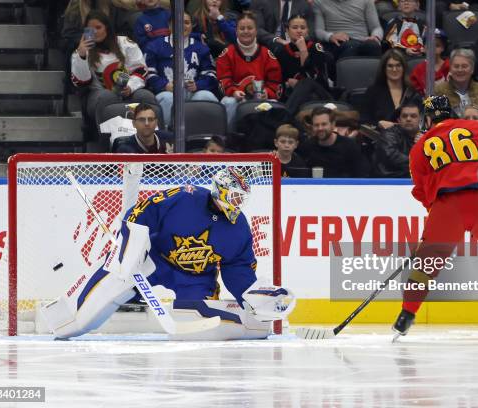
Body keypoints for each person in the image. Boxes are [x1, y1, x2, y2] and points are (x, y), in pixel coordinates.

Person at [40, 167, 296, 340]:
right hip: (154, 260)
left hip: (197, 278)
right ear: (222, 191)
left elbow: (237, 270)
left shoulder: (239, 228)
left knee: (195, 316)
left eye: (243, 199)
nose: (239, 204)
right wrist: (130, 247)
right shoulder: (185, 197)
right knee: (115, 275)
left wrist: (251, 299)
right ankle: (66, 318)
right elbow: (140, 213)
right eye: (236, 197)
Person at [392, 95, 478, 341]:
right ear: (452, 112)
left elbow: (420, 189)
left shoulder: (420, 147)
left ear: (428, 118)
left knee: (426, 265)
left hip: (447, 205)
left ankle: (405, 317)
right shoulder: (474, 127)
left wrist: (436, 210)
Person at [71, 10, 157, 128]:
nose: (94, 32)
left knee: (145, 96)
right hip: (98, 95)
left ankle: (155, 138)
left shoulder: (125, 43)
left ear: (107, 28)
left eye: (98, 27)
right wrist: (82, 55)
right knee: (108, 97)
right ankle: (107, 140)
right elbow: (81, 82)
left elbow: (140, 70)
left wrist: (130, 87)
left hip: (129, 91)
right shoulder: (80, 53)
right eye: (90, 29)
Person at [145, 12, 220, 128]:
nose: (182, 26)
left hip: (193, 92)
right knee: (167, 98)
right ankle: (166, 134)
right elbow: (149, 74)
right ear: (170, 26)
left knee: (206, 96)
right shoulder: (155, 46)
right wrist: (165, 85)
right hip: (167, 92)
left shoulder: (201, 48)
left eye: (186, 22)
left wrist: (198, 85)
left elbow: (211, 74)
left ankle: (205, 135)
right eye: (178, 22)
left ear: (191, 26)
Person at [216, 12, 283, 129]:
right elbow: (223, 80)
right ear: (236, 31)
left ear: (256, 31)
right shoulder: (227, 53)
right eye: (242, 28)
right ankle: (229, 138)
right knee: (229, 102)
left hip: (261, 98)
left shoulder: (266, 54)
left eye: (250, 28)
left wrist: (267, 93)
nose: (246, 31)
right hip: (236, 97)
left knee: (273, 104)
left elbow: (275, 84)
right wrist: (233, 92)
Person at [274, 15, 333, 115]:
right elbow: (279, 80)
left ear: (307, 31)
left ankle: (285, 116)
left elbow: (317, 79)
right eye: (295, 27)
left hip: (319, 94)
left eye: (303, 28)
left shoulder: (316, 48)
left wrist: (303, 50)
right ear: (287, 30)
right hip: (292, 95)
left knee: (307, 82)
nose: (299, 30)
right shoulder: (281, 51)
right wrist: (287, 84)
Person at [434, 48, 478, 129]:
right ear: (450, 69)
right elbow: (433, 121)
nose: (460, 70)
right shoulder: (438, 91)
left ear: (472, 69)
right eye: (456, 66)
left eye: (464, 66)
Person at [297, 106, 370, 177]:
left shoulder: (349, 146)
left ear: (333, 124)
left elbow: (361, 175)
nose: (320, 128)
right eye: (316, 125)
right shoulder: (307, 146)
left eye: (324, 124)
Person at [361, 49, 422, 130]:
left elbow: (421, 120)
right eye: (390, 66)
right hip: (381, 138)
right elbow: (363, 121)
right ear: (384, 69)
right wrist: (378, 124)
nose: (394, 69)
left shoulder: (413, 91)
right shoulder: (373, 91)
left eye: (398, 65)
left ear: (403, 68)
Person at [313, 0, 383, 60]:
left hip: (362, 41)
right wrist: (331, 36)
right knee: (351, 46)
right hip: (337, 44)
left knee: (373, 45)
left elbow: (376, 27)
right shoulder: (320, 2)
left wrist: (375, 37)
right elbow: (319, 31)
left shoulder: (366, 1)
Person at [371, 102, 421, 178]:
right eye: (404, 116)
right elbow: (391, 156)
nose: (408, 119)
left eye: (413, 116)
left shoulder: (427, 137)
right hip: (390, 182)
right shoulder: (389, 134)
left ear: (420, 120)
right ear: (399, 120)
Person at [409, 28, 449, 96]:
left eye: (437, 45)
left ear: (443, 48)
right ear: (424, 48)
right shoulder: (418, 70)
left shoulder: (451, 66)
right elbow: (415, 94)